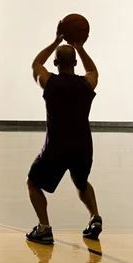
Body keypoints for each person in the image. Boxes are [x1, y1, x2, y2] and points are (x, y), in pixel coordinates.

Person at [26, 21, 102, 245]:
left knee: (33, 182)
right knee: (81, 182)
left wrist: (56, 41)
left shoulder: (49, 82)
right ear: (75, 63)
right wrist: (79, 46)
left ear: (56, 63)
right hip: (82, 145)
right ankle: (95, 218)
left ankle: (44, 228)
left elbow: (36, 64)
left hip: (56, 146)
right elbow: (93, 71)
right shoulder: (87, 84)